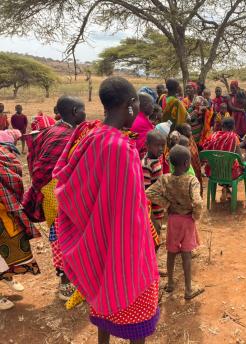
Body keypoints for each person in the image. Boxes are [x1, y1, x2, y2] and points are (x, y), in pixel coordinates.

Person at [53, 77, 160, 343]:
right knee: (137, 314)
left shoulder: (91, 137)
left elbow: (72, 187)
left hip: (97, 241)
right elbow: (133, 211)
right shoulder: (123, 149)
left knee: (104, 298)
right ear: (131, 104)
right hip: (126, 247)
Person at [23, 95, 86, 300]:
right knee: (64, 237)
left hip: (52, 194)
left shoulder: (52, 131)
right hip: (59, 195)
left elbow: (34, 163)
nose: (85, 114)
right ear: (75, 111)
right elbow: (43, 168)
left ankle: (71, 278)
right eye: (83, 110)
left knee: (60, 236)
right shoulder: (65, 136)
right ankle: (66, 283)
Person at [147, 145, 204, 300]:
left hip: (172, 220)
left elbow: (149, 192)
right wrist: (195, 215)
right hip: (187, 220)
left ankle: (170, 283)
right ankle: (188, 290)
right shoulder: (192, 181)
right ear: (187, 163)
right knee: (186, 254)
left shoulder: (165, 179)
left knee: (171, 252)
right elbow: (198, 203)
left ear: (171, 163)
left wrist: (167, 205)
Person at [0, 135, 40, 310]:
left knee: (9, 245)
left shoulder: (3, 153)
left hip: (2, 210)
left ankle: (6, 277)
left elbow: (13, 175)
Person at [203, 117, 243, 201]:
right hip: (229, 173)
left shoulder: (214, 135)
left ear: (222, 126)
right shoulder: (233, 137)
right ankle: (227, 189)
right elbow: (239, 156)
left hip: (214, 171)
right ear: (233, 127)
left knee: (223, 163)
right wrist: (243, 165)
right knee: (237, 165)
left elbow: (205, 149)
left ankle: (225, 188)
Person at [142, 130, 167, 252]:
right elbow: (146, 192)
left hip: (158, 208)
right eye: (157, 145)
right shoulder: (146, 165)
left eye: (162, 145)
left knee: (156, 237)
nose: (161, 148)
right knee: (154, 239)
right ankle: (151, 267)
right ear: (147, 145)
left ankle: (152, 266)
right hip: (152, 210)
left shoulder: (156, 161)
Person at [176, 123, 203, 190]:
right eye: (189, 130)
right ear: (184, 132)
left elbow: (195, 153)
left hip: (194, 168)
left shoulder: (191, 139)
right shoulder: (181, 142)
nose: (191, 132)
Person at [131, 92, 155, 157]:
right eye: (152, 104)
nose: (153, 107)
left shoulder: (134, 117)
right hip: (137, 157)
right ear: (145, 105)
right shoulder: (141, 122)